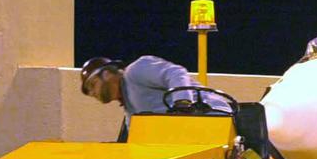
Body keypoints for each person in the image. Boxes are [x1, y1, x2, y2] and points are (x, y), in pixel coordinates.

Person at [80, 55, 231, 140]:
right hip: (192, 139)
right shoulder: (130, 111)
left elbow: (176, 73)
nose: (93, 93)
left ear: (106, 74)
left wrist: (182, 103)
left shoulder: (135, 71)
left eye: (93, 85)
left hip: (214, 122)